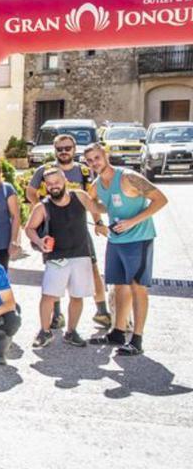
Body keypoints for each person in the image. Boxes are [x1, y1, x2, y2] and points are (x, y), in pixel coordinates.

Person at [84, 143, 168, 356]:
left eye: (97, 157)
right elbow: (95, 203)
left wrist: (133, 221)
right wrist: (98, 220)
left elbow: (160, 199)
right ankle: (117, 332)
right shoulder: (97, 184)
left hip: (139, 239)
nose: (95, 162)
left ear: (106, 155)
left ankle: (137, 339)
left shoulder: (128, 178)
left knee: (137, 286)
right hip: (116, 241)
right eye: (90, 160)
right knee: (119, 285)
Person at [28, 134, 113, 327]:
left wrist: (98, 221)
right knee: (55, 271)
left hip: (79, 230)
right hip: (53, 230)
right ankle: (57, 315)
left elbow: (91, 200)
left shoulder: (84, 171)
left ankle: (102, 311)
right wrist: (41, 211)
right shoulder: (44, 170)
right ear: (54, 150)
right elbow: (30, 192)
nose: (64, 152)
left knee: (92, 269)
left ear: (74, 149)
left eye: (67, 148)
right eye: (59, 149)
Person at [25, 167, 99, 349]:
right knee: (48, 296)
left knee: (77, 296)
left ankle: (71, 332)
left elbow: (95, 208)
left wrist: (99, 223)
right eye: (49, 184)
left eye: (56, 182)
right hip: (56, 257)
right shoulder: (43, 206)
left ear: (64, 180)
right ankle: (44, 331)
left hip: (81, 254)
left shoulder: (80, 196)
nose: (53, 186)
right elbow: (29, 228)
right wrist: (39, 241)